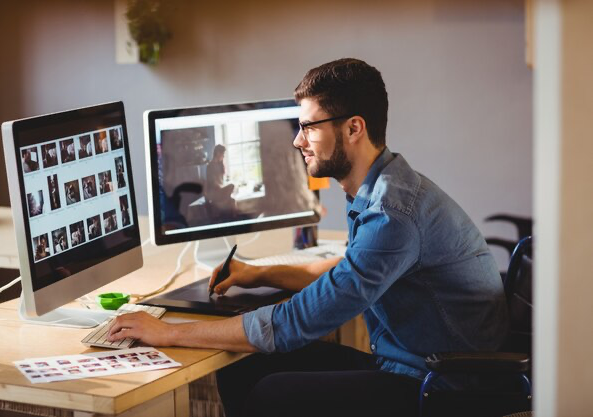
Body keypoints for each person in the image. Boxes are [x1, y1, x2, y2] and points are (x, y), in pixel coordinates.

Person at [107, 58, 508, 417]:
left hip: (439, 387)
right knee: (243, 368)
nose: (297, 141)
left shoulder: (391, 215)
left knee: (272, 394)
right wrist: (258, 274)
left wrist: (168, 333)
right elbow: (344, 275)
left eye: (307, 127)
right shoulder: (383, 187)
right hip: (412, 364)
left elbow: (296, 322)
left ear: (354, 128)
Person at [205, 144, 236, 216]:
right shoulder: (210, 166)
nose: (224, 156)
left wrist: (224, 187)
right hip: (214, 193)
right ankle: (224, 201)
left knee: (232, 201)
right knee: (232, 186)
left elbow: (221, 182)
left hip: (220, 191)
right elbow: (214, 183)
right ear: (218, 153)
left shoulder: (220, 165)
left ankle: (234, 220)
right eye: (223, 154)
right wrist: (224, 189)